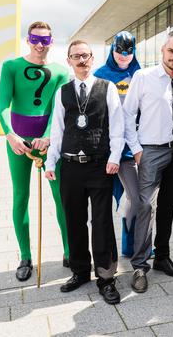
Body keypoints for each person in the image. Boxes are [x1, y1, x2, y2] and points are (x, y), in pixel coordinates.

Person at [44, 40, 124, 305]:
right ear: (69, 60)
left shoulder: (107, 88)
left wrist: (114, 157)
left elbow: (117, 126)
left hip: (99, 164)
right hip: (70, 166)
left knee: (101, 222)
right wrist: (50, 162)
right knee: (74, 220)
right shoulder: (62, 92)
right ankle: (80, 271)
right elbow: (57, 130)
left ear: (92, 58)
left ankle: (106, 277)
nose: (82, 60)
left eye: (86, 55)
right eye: (76, 56)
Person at [123, 31, 173, 293]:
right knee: (145, 205)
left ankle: (163, 257)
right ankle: (139, 265)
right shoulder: (143, 77)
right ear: (162, 51)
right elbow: (127, 114)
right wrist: (136, 149)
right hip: (150, 152)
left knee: (167, 206)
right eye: (171, 52)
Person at [0, 21, 70, 281]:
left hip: (48, 143)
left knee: (61, 197)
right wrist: (11, 135)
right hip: (18, 142)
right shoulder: (11, 67)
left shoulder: (61, 72)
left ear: (52, 41)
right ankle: (25, 256)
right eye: (35, 39)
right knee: (20, 196)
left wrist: (49, 135)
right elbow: (3, 105)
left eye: (46, 40)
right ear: (27, 39)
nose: (40, 45)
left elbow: (59, 109)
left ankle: (69, 251)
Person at [94, 31, 142, 258]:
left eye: (128, 52)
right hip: (105, 149)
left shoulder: (140, 74)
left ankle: (130, 245)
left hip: (132, 149)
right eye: (119, 51)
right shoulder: (99, 75)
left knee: (136, 198)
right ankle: (102, 252)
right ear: (112, 49)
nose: (123, 56)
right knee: (98, 204)